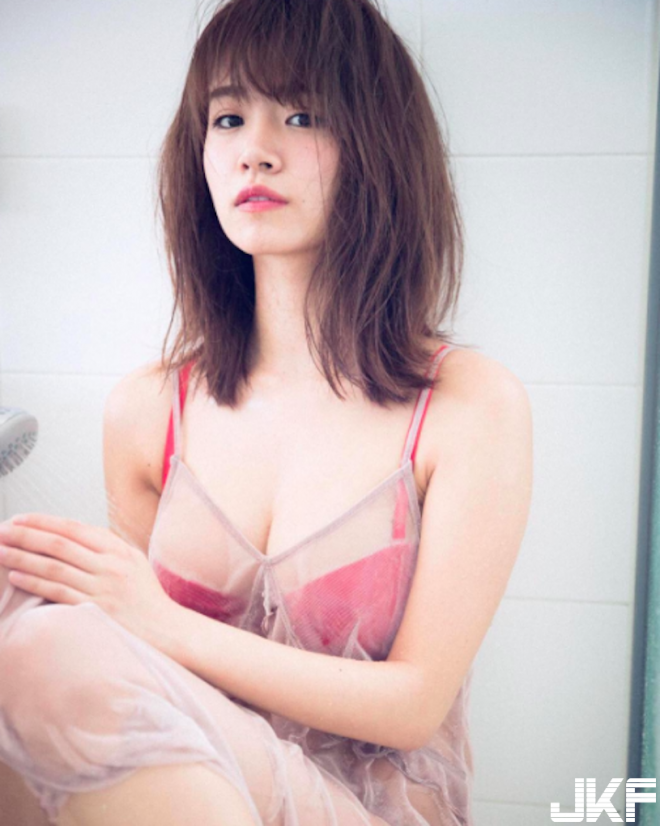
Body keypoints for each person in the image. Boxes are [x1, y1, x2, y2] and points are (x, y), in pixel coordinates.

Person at [0, 0, 534, 823]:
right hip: (201, 778)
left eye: (302, 115)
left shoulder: (467, 405)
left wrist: (158, 621)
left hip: (368, 805)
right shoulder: (148, 410)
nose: (256, 149)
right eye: (228, 118)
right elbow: (130, 671)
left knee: (48, 646)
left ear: (378, 143)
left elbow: (412, 706)